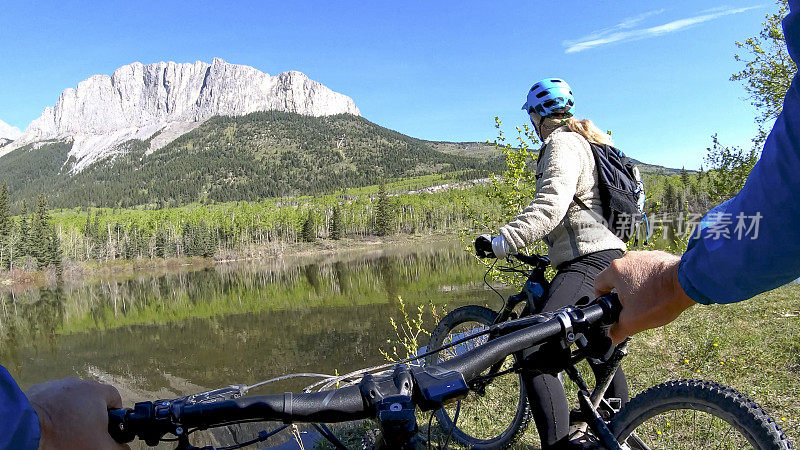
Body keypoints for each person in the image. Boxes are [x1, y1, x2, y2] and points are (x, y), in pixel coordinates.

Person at [594, 0, 800, 345]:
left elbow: (787, 204)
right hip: (615, 245)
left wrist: (675, 281)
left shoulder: (560, 146)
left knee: (539, 349)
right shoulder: (601, 147)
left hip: (586, 254)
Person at [474, 77, 629, 449]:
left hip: (589, 262)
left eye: (530, 116)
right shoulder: (589, 141)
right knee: (601, 345)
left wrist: (501, 242)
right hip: (610, 257)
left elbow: (550, 206)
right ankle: (622, 430)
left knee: (533, 352)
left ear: (538, 115)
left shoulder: (561, 143)